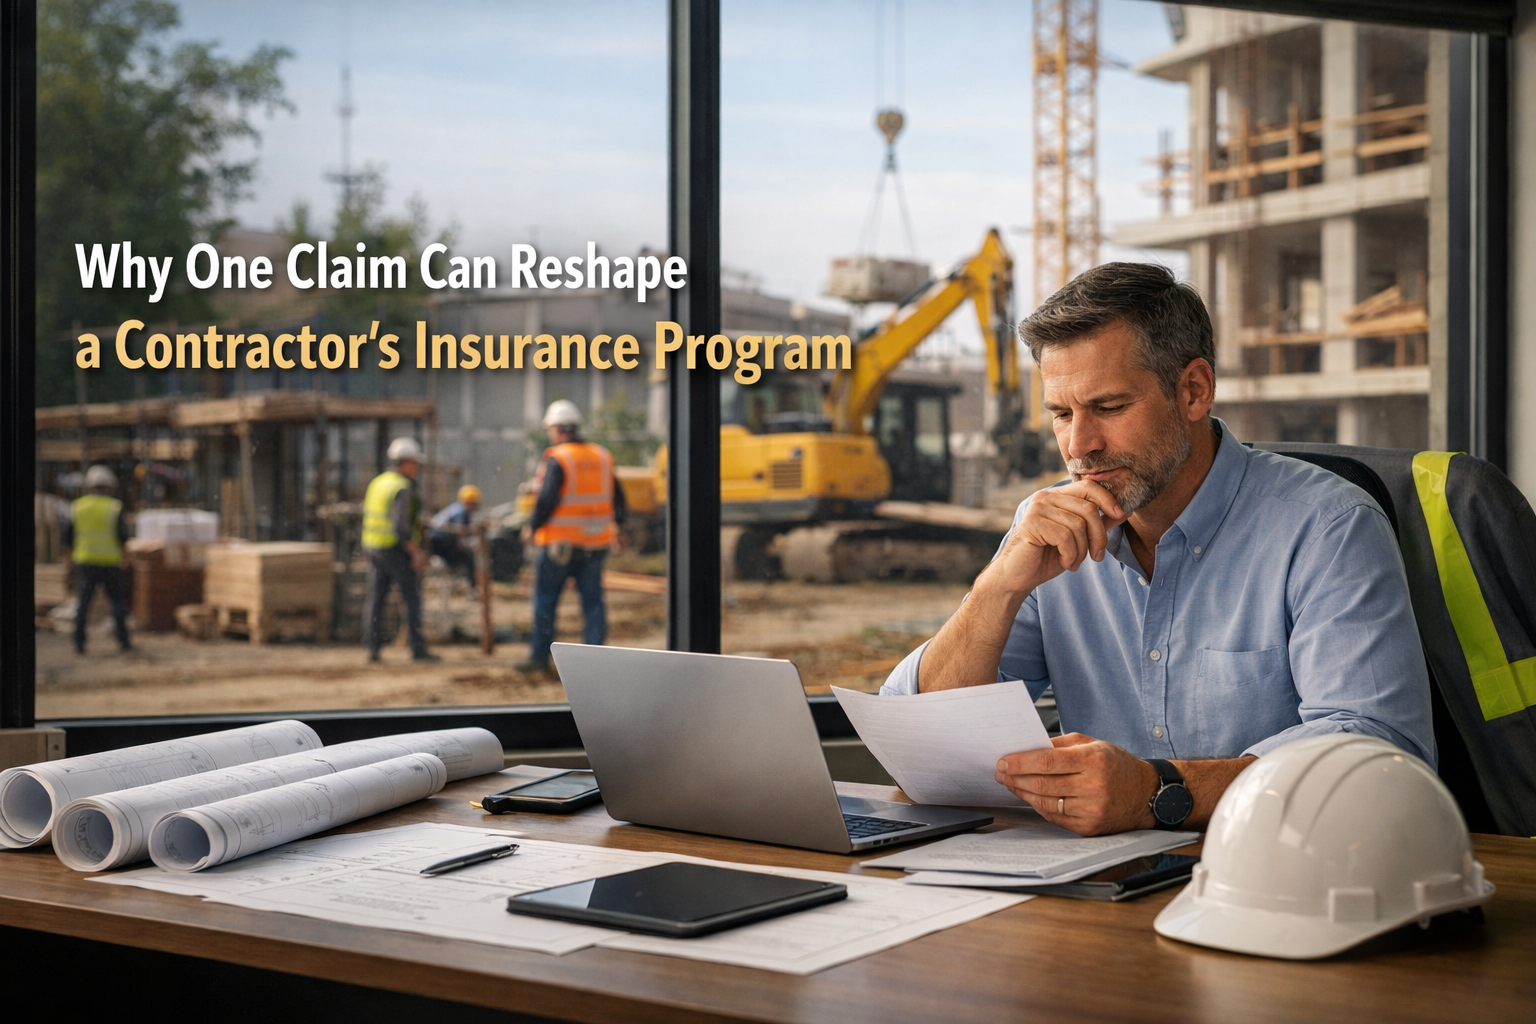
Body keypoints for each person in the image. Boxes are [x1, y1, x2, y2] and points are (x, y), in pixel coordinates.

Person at [881, 262, 1434, 836]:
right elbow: (919, 741)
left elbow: (1382, 751)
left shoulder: (1328, 526)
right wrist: (997, 587)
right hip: (1098, 883)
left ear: (1194, 391)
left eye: (1110, 408)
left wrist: (1157, 791)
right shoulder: (1045, 529)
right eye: (1061, 414)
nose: (1079, 447)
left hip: (1284, 875)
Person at [517, 399, 627, 673]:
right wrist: (620, 528)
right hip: (596, 542)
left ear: (557, 429)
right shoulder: (602, 455)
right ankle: (594, 661)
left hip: (561, 544)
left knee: (546, 599)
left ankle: (539, 657)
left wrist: (533, 526)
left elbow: (547, 498)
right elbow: (618, 496)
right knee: (592, 602)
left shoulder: (559, 457)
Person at [361, 436, 439, 663]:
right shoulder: (402, 488)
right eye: (414, 463)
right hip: (396, 550)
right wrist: (415, 551)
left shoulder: (378, 482)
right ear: (405, 462)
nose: (416, 469)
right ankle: (417, 649)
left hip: (374, 548)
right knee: (412, 598)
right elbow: (400, 527)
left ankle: (372, 649)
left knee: (376, 599)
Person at [64, 464, 132, 654]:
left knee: (83, 604)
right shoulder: (114, 506)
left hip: (85, 562)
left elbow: (67, 538)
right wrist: (125, 558)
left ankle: (79, 643)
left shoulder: (77, 507)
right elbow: (123, 537)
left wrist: (68, 562)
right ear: (109, 487)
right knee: (118, 604)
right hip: (110, 563)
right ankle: (123, 642)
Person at [428, 484, 482, 591]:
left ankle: (456, 574)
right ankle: (474, 588)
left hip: (437, 541)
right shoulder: (461, 512)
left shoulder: (456, 508)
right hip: (439, 543)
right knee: (469, 558)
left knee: (464, 556)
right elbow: (460, 533)